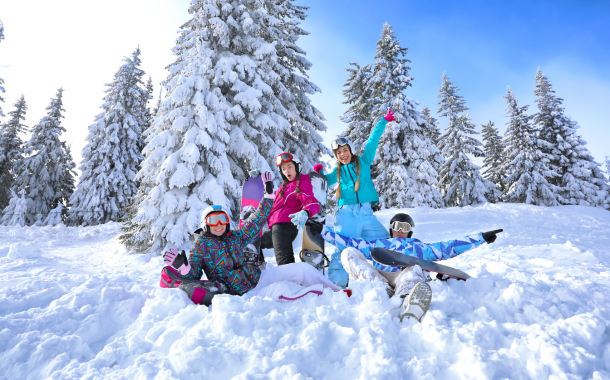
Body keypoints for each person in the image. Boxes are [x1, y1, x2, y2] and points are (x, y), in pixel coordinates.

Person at [161, 172, 341, 306]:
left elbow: (256, 221)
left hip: (259, 277)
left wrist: (269, 196)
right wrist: (184, 268)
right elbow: (194, 277)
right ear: (205, 224)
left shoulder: (235, 237)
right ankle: (317, 298)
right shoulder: (201, 246)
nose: (219, 224)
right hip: (244, 294)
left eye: (222, 219)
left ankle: (338, 292)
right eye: (213, 220)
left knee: (302, 269)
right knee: (283, 291)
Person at [307, 214, 503, 321]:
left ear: (410, 232)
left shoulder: (420, 247)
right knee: (348, 252)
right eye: (397, 226)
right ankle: (379, 291)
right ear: (391, 228)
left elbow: (449, 246)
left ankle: (407, 301)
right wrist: (323, 230)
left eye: (405, 227)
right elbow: (349, 242)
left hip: (404, 274)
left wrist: (481, 238)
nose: (400, 230)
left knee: (415, 270)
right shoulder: (378, 243)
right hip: (379, 275)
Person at [313, 108, 396, 287]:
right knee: (343, 248)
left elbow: (373, 141)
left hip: (366, 213)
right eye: (339, 153)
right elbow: (325, 181)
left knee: (383, 244)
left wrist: (383, 121)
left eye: (345, 150)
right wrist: (319, 174)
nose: (343, 154)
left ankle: (389, 277)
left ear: (350, 149)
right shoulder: (337, 171)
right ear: (336, 156)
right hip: (346, 214)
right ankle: (337, 285)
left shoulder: (364, 161)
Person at [258, 153, 321, 266]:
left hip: (285, 227)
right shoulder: (283, 187)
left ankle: (290, 282)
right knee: (254, 242)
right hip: (276, 229)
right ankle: (259, 269)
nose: (286, 171)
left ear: (297, 167)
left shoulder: (301, 183)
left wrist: (306, 212)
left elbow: (313, 202)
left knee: (284, 264)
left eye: (289, 166)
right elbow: (272, 207)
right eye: (283, 168)